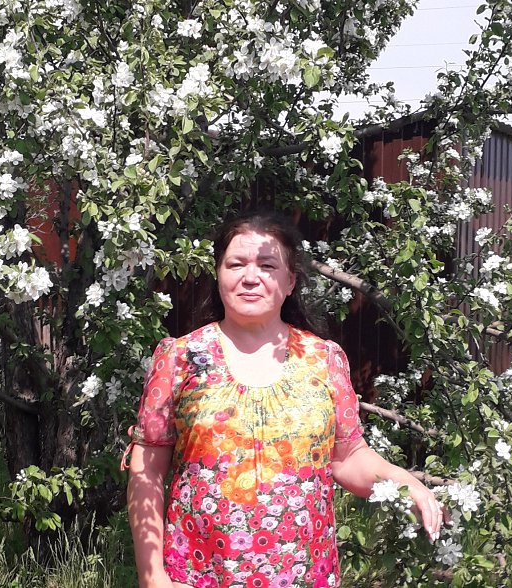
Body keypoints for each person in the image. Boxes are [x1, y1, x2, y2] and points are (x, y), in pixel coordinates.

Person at [124, 211, 447, 588]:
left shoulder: (323, 360)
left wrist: (406, 482)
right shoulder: (180, 359)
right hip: (197, 576)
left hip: (305, 576)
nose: (250, 276)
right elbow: (147, 469)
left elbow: (347, 458)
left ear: (290, 280)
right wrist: (152, 576)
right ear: (218, 273)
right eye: (236, 264)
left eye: (267, 265)